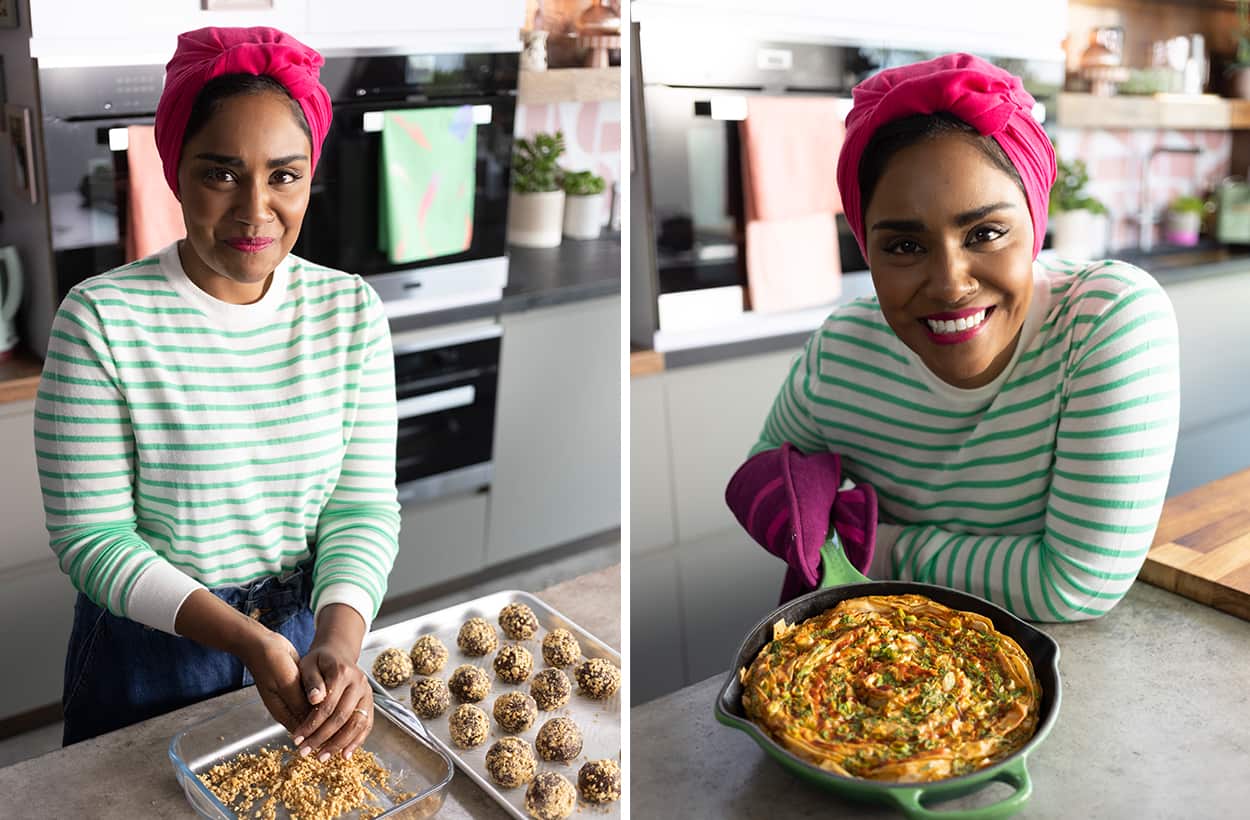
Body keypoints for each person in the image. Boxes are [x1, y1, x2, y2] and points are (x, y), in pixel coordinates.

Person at [34, 27, 400, 759]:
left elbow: (360, 507)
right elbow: (92, 538)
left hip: (303, 639)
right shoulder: (101, 320)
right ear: (175, 171)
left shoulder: (350, 312)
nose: (255, 210)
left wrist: (338, 639)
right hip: (148, 652)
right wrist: (245, 639)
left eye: (284, 176)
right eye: (222, 174)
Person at [726, 53, 1179, 622]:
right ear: (867, 249)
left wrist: (876, 546)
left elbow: (1075, 584)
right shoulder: (841, 351)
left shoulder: (1104, 320)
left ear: (1035, 223)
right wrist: (816, 518)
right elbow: (768, 471)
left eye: (985, 233)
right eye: (905, 246)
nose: (949, 284)